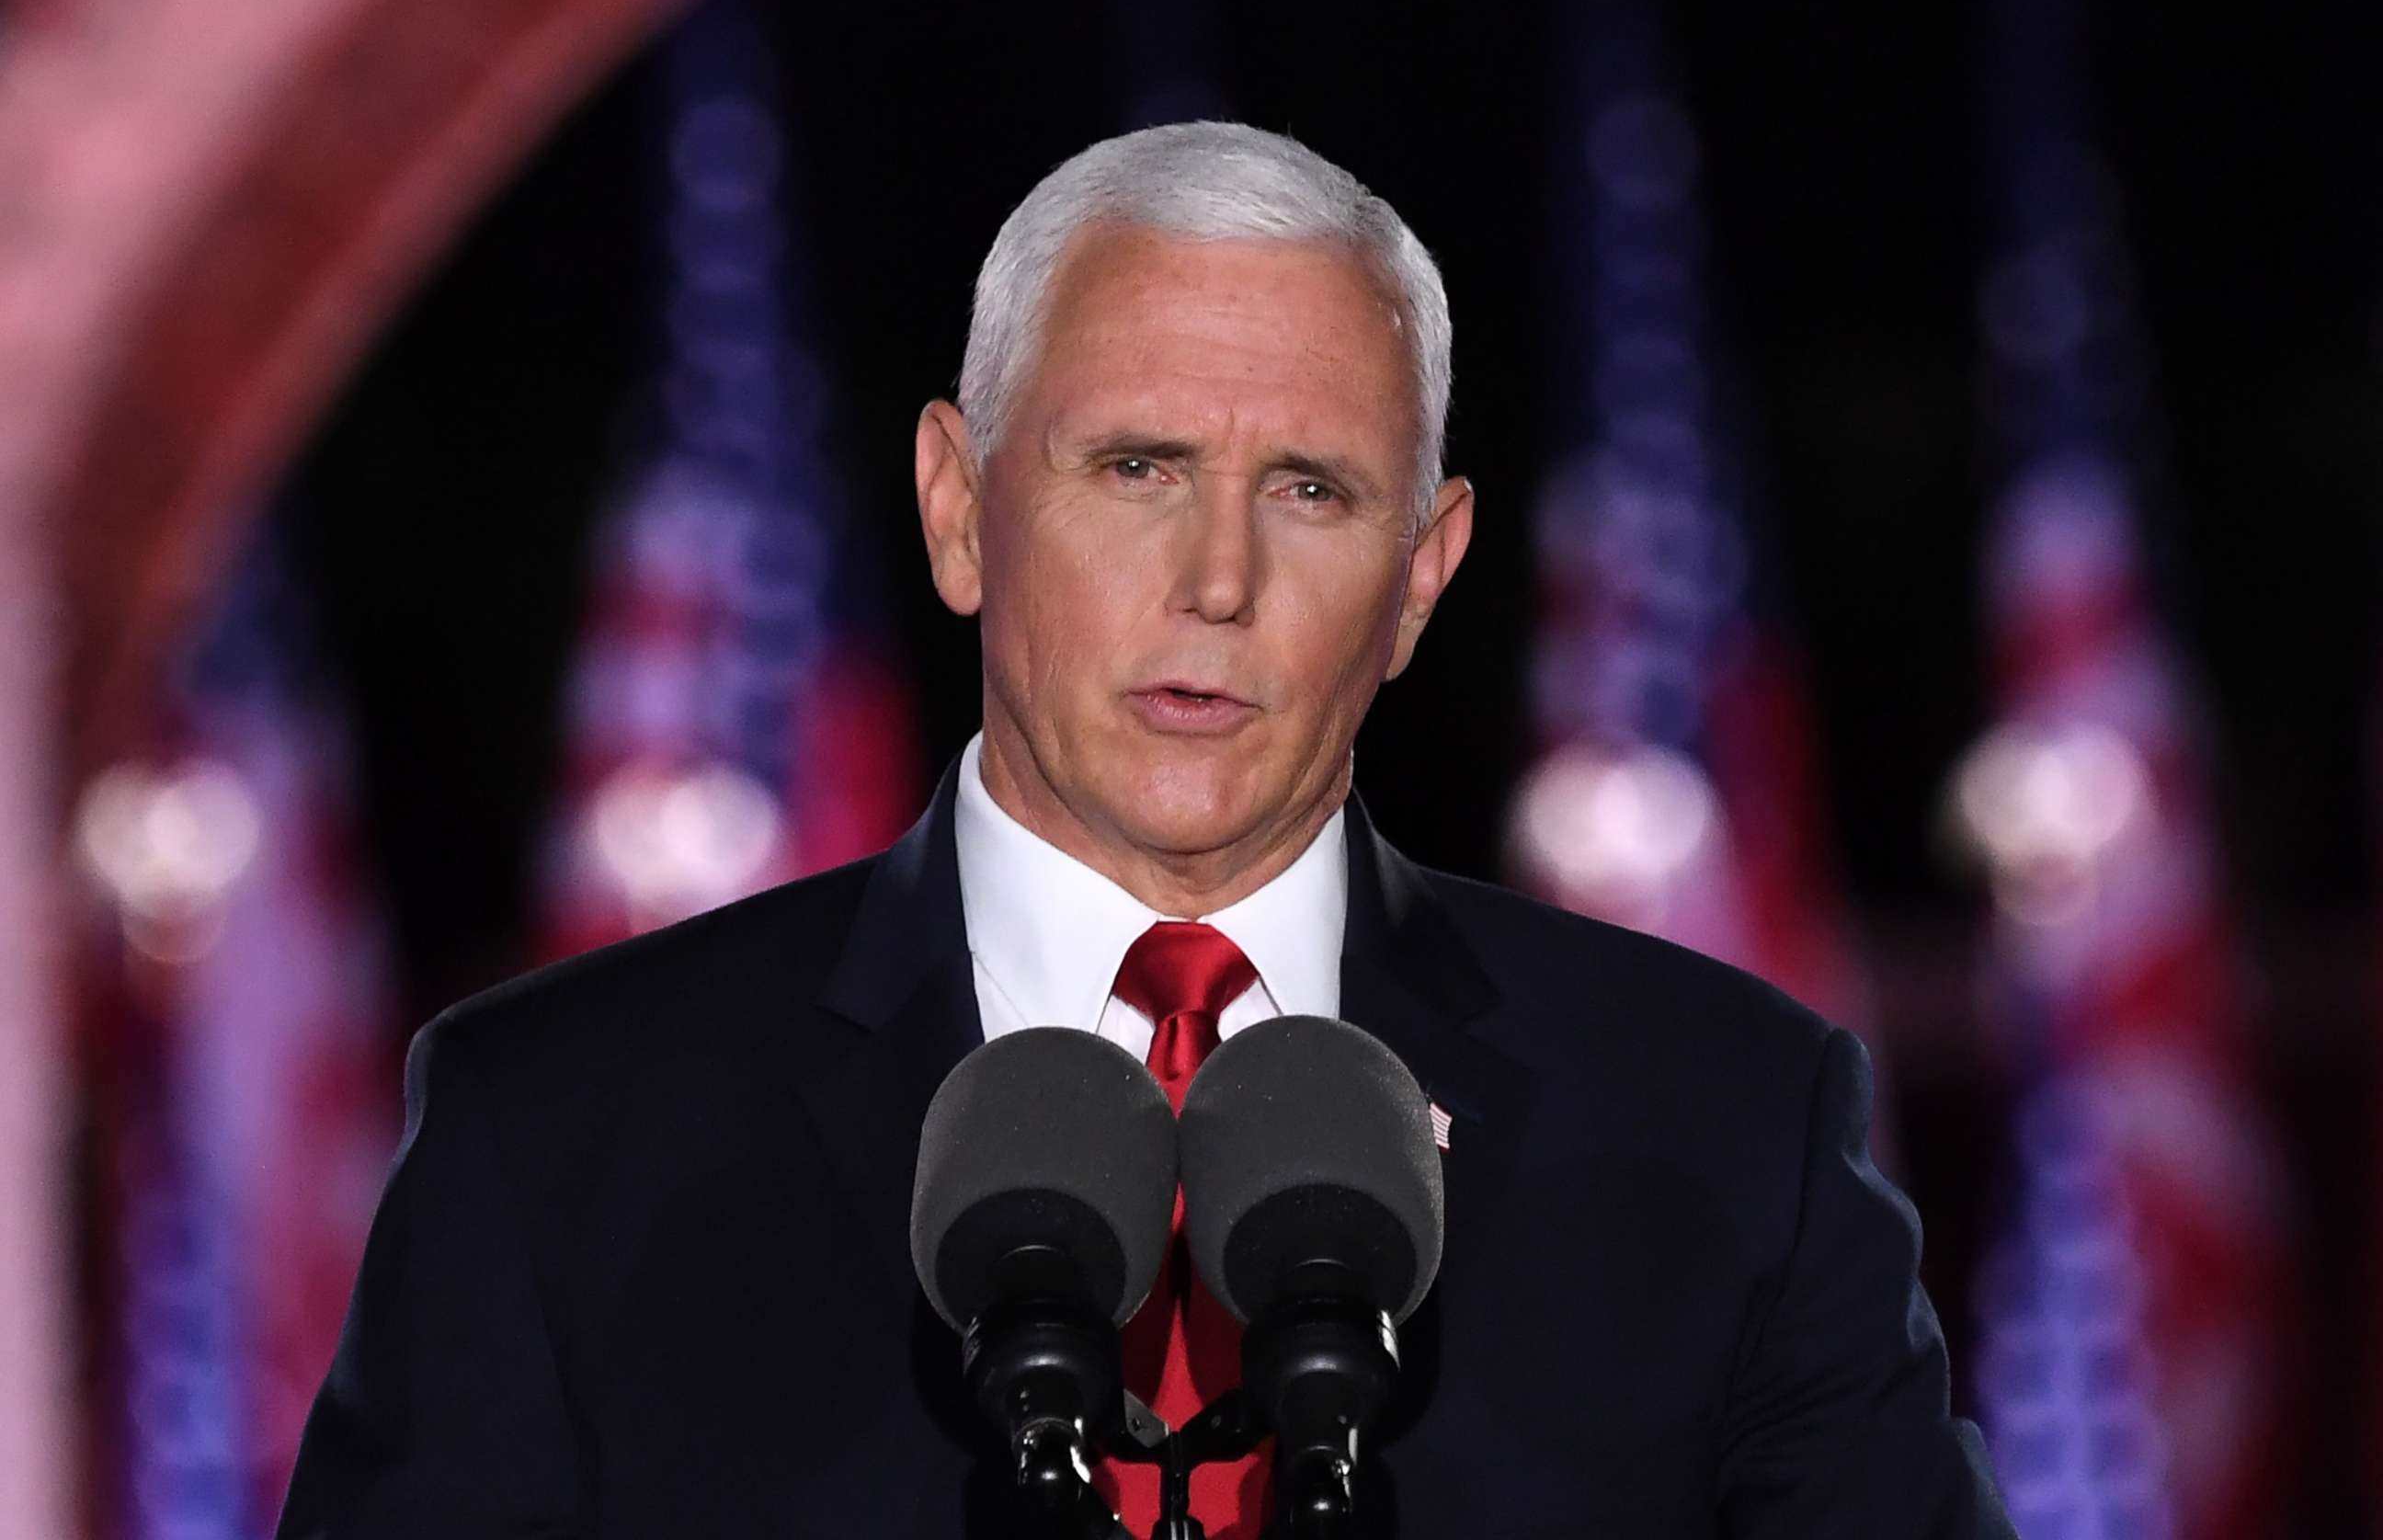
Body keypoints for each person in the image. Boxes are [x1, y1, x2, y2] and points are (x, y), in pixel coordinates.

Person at [277, 120, 2013, 1538]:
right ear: (961, 513)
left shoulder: (1728, 1132)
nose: (1218, 583)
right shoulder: (563, 1141)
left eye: (1310, 491)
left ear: (1422, 580)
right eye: (1137, 469)